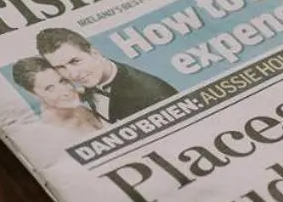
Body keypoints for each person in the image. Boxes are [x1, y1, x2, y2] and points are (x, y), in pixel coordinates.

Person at [35, 26, 178, 124]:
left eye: (75, 61)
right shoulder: (92, 79)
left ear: (95, 53)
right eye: (60, 67)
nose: (73, 74)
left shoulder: (150, 92)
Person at [10, 56, 103, 136]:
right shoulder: (55, 131)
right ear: (34, 94)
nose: (66, 92)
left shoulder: (73, 103)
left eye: (63, 81)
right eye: (50, 88)